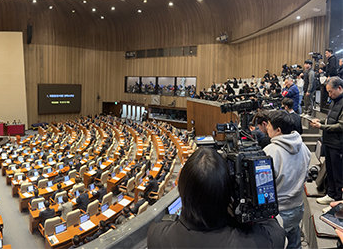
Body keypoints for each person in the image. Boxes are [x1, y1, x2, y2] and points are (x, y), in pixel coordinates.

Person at [147, 147, 285, 248]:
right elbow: (273, 226)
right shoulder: (261, 241)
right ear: (229, 194)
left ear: (182, 190)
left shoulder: (156, 236)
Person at [263, 110, 310, 249]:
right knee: (294, 240)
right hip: (297, 207)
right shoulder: (304, 147)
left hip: (279, 212)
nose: (266, 127)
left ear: (278, 130)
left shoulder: (270, 151)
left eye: (269, 125)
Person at [311, 77, 343, 205]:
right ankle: (331, 194)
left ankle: (338, 201)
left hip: (338, 144)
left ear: (339, 88)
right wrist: (322, 122)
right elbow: (332, 120)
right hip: (330, 142)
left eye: (331, 92)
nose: (329, 95)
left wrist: (322, 127)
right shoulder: (335, 101)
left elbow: (341, 126)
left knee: (338, 174)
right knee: (329, 171)